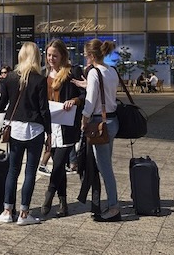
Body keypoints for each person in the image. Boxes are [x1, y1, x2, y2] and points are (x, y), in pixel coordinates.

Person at [0, 41, 50, 225]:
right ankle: (24, 214)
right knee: (30, 172)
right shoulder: (40, 79)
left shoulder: (9, 77)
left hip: (15, 128)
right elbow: (44, 109)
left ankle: (7, 210)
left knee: (12, 171)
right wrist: (49, 133)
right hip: (35, 129)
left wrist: (0, 89)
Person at [81, 39, 121, 222]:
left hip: (99, 123)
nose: (84, 57)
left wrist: (84, 119)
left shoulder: (93, 72)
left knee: (105, 168)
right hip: (112, 120)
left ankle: (113, 206)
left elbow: (90, 100)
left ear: (91, 56)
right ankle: (111, 203)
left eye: (85, 54)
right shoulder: (111, 70)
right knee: (106, 163)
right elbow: (105, 92)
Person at [40, 40, 82, 217]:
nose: (51, 58)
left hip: (66, 125)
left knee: (58, 164)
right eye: (49, 55)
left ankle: (49, 196)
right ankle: (63, 204)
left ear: (62, 56)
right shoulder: (44, 74)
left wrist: (74, 100)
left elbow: (84, 94)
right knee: (59, 165)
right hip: (50, 126)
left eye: (54, 56)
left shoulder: (72, 73)